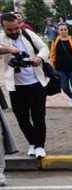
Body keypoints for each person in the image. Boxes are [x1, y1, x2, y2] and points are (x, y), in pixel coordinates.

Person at [0, 13, 49, 159]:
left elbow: (44, 48)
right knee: (22, 118)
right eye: (10, 30)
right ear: (3, 27)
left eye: (16, 28)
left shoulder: (27, 34)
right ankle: (32, 143)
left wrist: (39, 58)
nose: (15, 31)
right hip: (16, 86)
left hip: (36, 83)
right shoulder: (1, 38)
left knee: (39, 116)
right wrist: (9, 50)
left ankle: (40, 146)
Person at [50, 23, 72, 110]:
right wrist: (51, 63)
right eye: (61, 30)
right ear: (58, 31)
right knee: (64, 86)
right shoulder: (55, 41)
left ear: (68, 30)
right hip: (60, 68)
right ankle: (71, 97)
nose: (63, 31)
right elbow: (52, 53)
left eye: (65, 29)